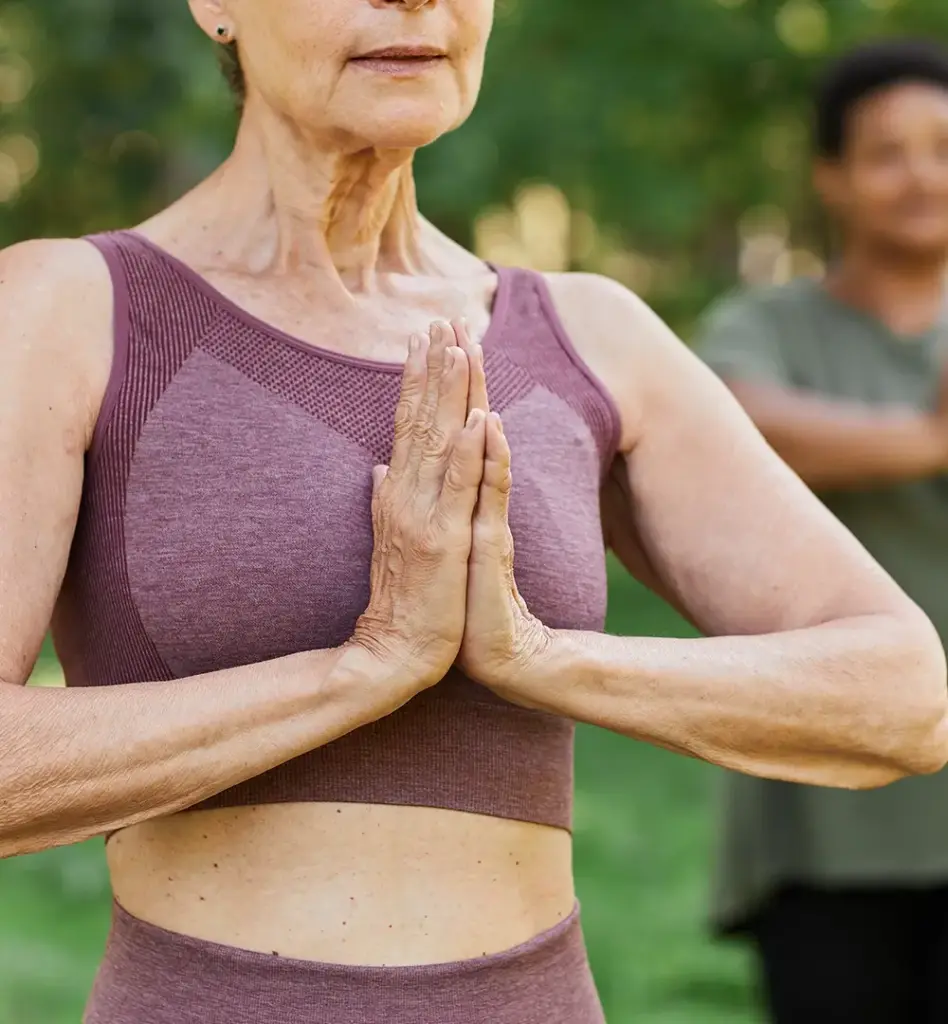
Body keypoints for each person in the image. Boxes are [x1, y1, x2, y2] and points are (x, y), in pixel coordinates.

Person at [0, 6, 945, 1022]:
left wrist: (539, 657)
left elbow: (903, 692)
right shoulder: (68, 308)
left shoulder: (593, 332)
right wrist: (362, 670)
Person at [693, 37, 948, 1024]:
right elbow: (722, 432)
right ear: (830, 178)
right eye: (887, 151)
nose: (921, 172)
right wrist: (929, 439)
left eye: (942, 145)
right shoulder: (766, 325)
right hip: (826, 808)